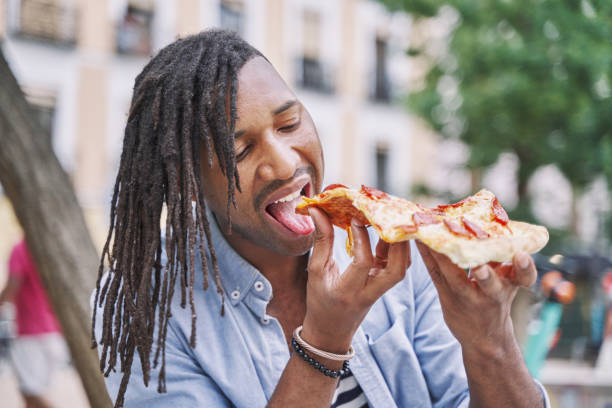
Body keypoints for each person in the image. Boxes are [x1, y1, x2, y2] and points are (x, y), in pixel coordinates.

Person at [92, 29, 550, 407]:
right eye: (241, 151)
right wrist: (325, 342)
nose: (286, 164)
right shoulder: (146, 307)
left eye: (289, 124)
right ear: (189, 184)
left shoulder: (391, 238)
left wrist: (490, 341)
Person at [0, 239, 69, 408]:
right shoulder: (54, 245)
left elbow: (14, 282)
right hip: (55, 332)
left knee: (30, 390)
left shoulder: (21, 248)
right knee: (37, 391)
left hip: (30, 333)